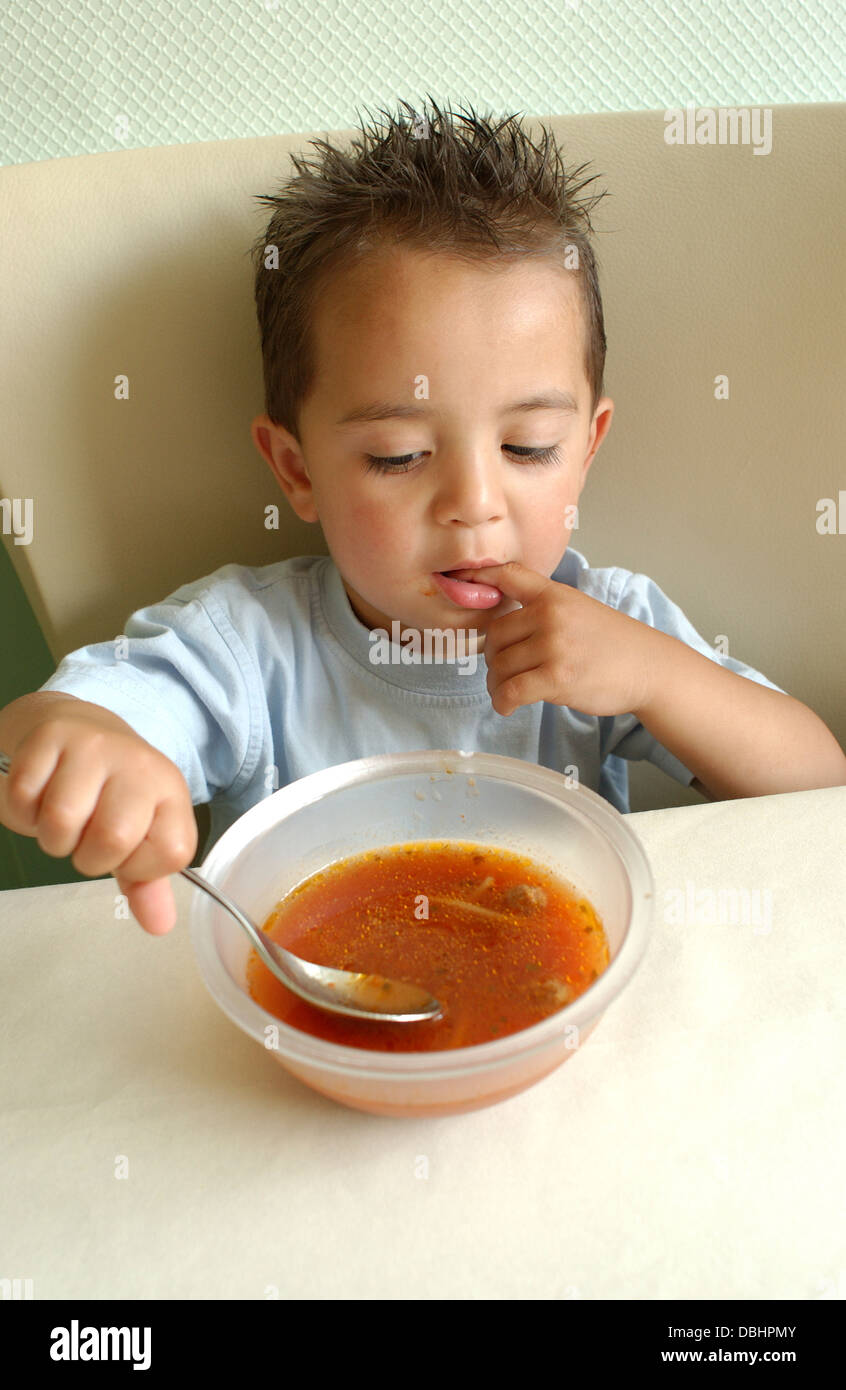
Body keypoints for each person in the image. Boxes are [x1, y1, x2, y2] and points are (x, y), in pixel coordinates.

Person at [1, 99, 843, 937]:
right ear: (296, 470)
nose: (474, 504)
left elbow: (818, 787)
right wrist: (83, 740)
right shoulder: (249, 649)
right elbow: (84, 715)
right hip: (311, 1020)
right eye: (399, 456)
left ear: (587, 448)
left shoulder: (608, 627)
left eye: (528, 446)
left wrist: (659, 680)